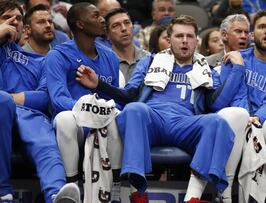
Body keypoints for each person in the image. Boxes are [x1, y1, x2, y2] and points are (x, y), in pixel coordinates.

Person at [76, 15, 235, 203]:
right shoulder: (150, 61)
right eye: (179, 36)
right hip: (153, 118)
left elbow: (215, 104)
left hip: (186, 122)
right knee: (135, 109)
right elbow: (129, 95)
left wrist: (237, 70)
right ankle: (138, 194)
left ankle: (192, 198)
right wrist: (99, 84)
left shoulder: (206, 68)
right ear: (169, 39)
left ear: (196, 40)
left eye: (189, 36)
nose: (184, 41)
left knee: (217, 122)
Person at [211, 9, 266, 203]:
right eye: (261, 27)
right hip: (238, 124)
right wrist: (247, 117)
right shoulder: (235, 58)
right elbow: (235, 95)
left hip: (264, 124)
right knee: (236, 113)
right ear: (253, 34)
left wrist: (257, 118)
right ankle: (224, 194)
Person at [0, 0, 80, 202]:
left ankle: (56, 195)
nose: (14, 22)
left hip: (27, 116)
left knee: (45, 142)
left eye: (18, 18)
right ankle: (2, 192)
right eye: (7, 18)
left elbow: (45, 97)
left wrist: (10, 100)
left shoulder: (44, 60)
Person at [45, 2, 122, 201]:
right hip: (76, 123)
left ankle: (115, 188)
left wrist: (100, 111)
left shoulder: (111, 57)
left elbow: (116, 99)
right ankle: (72, 187)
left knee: (118, 117)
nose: (102, 19)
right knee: (64, 119)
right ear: (79, 24)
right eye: (96, 16)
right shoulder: (58, 55)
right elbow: (58, 99)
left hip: (104, 122)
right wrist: (90, 109)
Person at [104, 8, 148, 86]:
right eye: (116, 25)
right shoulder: (104, 63)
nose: (124, 28)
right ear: (107, 34)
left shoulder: (149, 59)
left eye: (127, 23)